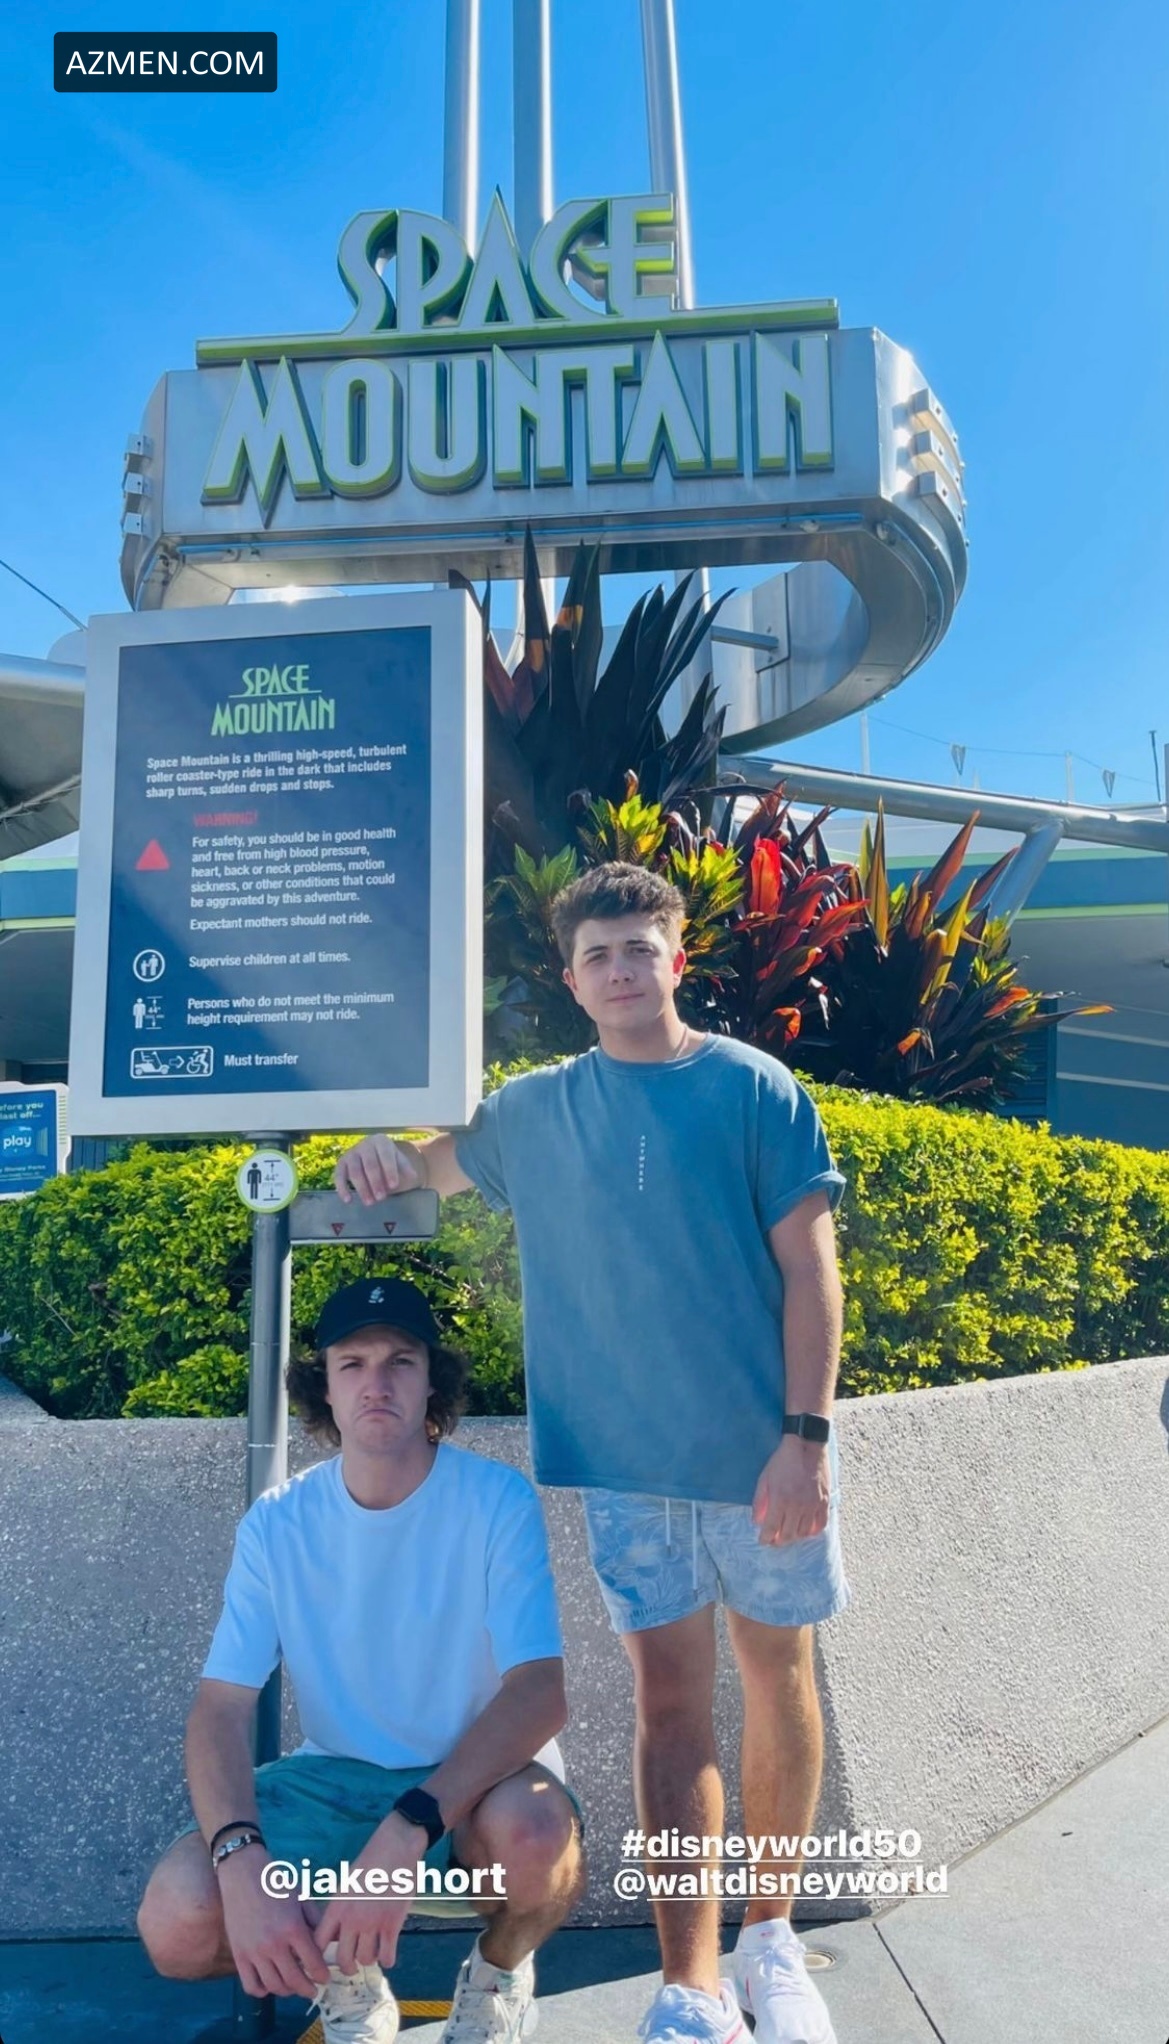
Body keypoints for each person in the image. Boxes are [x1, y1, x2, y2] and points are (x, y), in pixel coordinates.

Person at [334, 862, 851, 2044]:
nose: (620, 969)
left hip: (761, 1459)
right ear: (571, 980)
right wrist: (374, 1152)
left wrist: (803, 1438)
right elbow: (426, 1163)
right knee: (668, 1710)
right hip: (623, 1471)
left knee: (778, 1680)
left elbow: (810, 1271)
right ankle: (691, 1986)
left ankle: (770, 1941)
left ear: (676, 957)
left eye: (638, 947)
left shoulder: (754, 1087)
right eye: (597, 955)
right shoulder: (531, 1111)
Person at [137, 1275, 585, 2044]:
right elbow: (220, 1708)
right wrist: (240, 1860)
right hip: (333, 1776)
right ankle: (346, 1980)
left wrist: (409, 1826)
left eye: (400, 1361)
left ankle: (499, 1976)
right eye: (352, 1364)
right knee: (178, 1920)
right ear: (324, 1386)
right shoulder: (277, 1522)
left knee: (537, 1835)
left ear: (432, 1379)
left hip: (474, 1782)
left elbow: (539, 1692)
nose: (376, 1383)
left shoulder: (495, 1500)